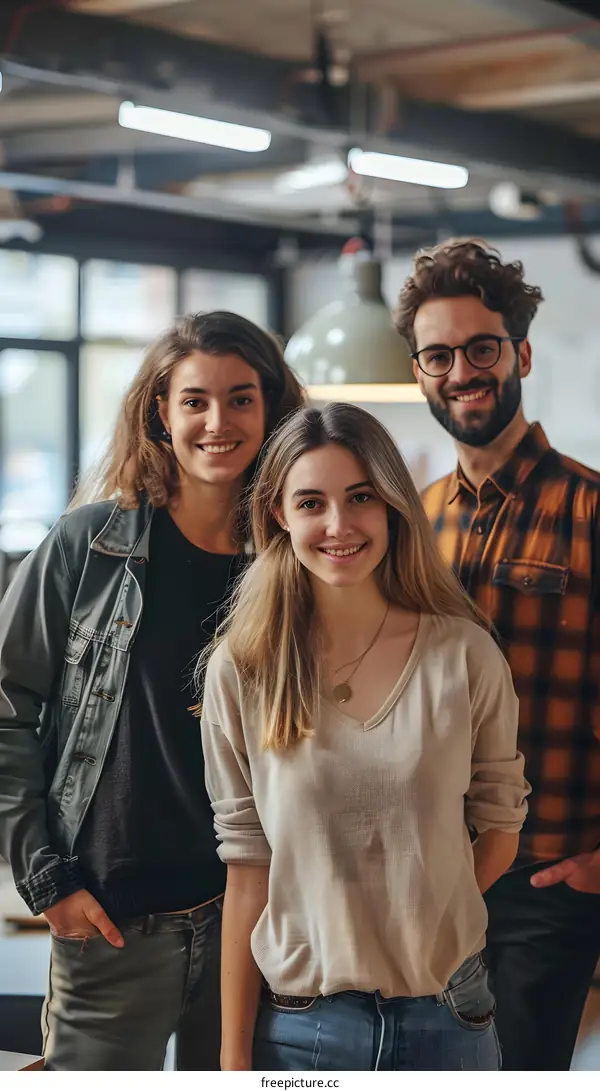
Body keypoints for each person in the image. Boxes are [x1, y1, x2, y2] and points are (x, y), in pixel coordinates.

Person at [0, 311, 304, 1071]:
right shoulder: (89, 545)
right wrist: (46, 879)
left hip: (257, 921)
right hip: (112, 918)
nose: (217, 421)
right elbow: (7, 705)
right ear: (160, 415)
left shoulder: (295, 561)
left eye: (240, 398)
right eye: (194, 400)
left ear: (270, 410)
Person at [200, 402, 530, 1072]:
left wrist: (422, 911)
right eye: (312, 502)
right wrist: (232, 1062)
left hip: (450, 1016)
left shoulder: (464, 655)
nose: (339, 525)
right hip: (301, 1030)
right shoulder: (243, 667)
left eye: (361, 498)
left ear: (393, 506)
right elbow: (247, 873)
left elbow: (500, 829)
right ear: (278, 515)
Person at [396, 237, 600, 1071]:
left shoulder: (590, 510)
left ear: (517, 353)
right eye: (437, 354)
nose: (462, 371)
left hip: (548, 883)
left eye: (481, 348)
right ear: (418, 372)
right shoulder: (408, 520)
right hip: (422, 870)